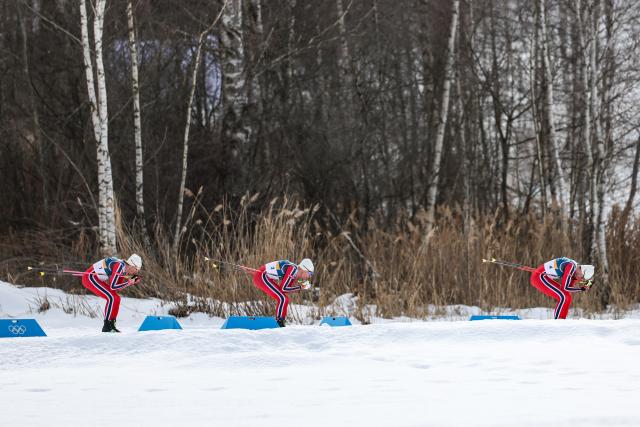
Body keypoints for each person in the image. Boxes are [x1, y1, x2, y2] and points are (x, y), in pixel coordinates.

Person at [81, 254, 143, 332]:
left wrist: (129, 279)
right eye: (136, 270)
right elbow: (113, 287)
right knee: (112, 297)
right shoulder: (119, 266)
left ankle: (112, 325)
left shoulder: (123, 269)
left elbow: (116, 289)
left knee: (116, 298)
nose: (135, 273)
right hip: (89, 278)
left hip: (97, 279)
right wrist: (129, 282)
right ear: (131, 265)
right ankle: (107, 326)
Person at [252, 258, 314, 327]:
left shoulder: (295, 271)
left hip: (263, 275)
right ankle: (279, 322)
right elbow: (283, 289)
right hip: (261, 276)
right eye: (310, 273)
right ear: (304, 269)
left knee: (283, 298)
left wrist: (300, 285)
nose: (309, 276)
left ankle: (280, 321)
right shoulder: (293, 270)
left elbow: (288, 287)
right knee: (283, 298)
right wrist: (299, 287)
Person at [529, 257, 595, 319]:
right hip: (538, 277)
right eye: (582, 277)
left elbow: (569, 287)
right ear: (582, 270)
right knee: (563, 296)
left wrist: (586, 285)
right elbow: (565, 288)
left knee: (567, 296)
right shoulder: (571, 266)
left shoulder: (575, 269)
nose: (580, 279)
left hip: (543, 277)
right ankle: (559, 321)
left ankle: (562, 320)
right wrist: (581, 288)